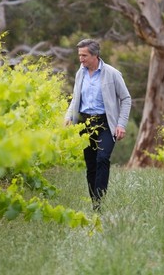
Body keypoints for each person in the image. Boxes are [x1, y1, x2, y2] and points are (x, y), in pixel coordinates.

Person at [65, 39, 132, 211]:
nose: (81, 59)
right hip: (85, 124)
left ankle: (99, 202)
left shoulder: (112, 73)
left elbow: (126, 99)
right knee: (91, 164)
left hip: (105, 124)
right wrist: (69, 116)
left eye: (84, 55)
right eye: (79, 55)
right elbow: (75, 98)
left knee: (102, 159)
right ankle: (95, 202)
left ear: (95, 55)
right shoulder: (80, 73)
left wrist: (121, 124)